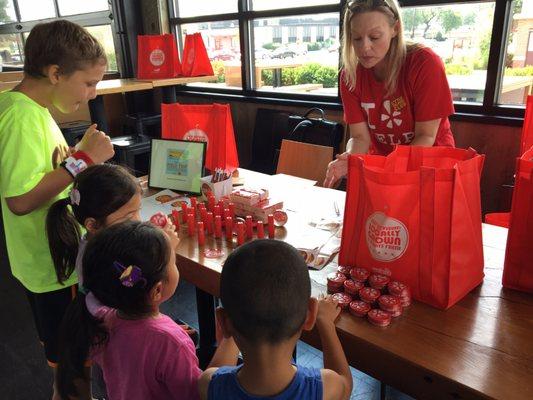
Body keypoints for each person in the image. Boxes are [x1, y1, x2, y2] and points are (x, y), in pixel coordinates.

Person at [0, 19, 114, 396]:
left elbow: (44, 175)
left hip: (53, 260)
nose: (93, 94)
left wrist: (75, 157)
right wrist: (82, 158)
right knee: (72, 368)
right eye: (88, 82)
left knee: (66, 359)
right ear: (54, 73)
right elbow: (20, 200)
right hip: (53, 269)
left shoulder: (32, 108)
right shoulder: (21, 117)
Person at [56, 220, 239, 400]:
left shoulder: (101, 320)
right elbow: (202, 394)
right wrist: (230, 338)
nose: (175, 266)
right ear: (157, 290)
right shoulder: (170, 343)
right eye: (173, 262)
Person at [198, 239, 353, 400]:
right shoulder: (325, 388)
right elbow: (345, 384)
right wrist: (326, 323)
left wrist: (235, 324)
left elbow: (215, 373)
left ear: (223, 322)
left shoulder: (208, 385)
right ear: (310, 314)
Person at [324, 0, 455, 187]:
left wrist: (388, 168)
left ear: (395, 29)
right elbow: (360, 138)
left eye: (375, 37)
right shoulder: (350, 75)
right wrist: (350, 160)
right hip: (385, 170)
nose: (364, 48)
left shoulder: (424, 63)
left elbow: (426, 136)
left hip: (431, 169)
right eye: (357, 38)